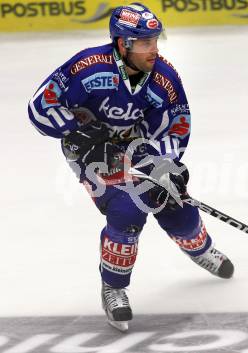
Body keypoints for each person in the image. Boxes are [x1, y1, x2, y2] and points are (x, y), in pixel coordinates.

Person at [28, 2, 234, 332]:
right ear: (123, 43)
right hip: (90, 154)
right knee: (127, 210)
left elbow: (176, 126)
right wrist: (76, 131)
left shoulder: (164, 79)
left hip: (137, 148)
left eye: (156, 40)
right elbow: (41, 106)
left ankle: (200, 248)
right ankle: (114, 286)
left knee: (173, 201)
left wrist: (163, 163)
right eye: (145, 42)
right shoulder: (88, 67)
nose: (154, 48)